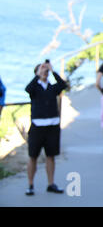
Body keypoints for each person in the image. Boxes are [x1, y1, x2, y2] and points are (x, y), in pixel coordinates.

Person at [24, 61, 67, 196]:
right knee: (33, 157)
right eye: (42, 70)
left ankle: (51, 184)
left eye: (46, 70)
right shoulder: (34, 87)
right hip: (37, 127)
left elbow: (63, 85)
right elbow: (28, 89)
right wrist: (38, 74)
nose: (44, 72)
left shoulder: (52, 87)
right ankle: (30, 185)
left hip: (52, 127)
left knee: (51, 156)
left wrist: (53, 71)